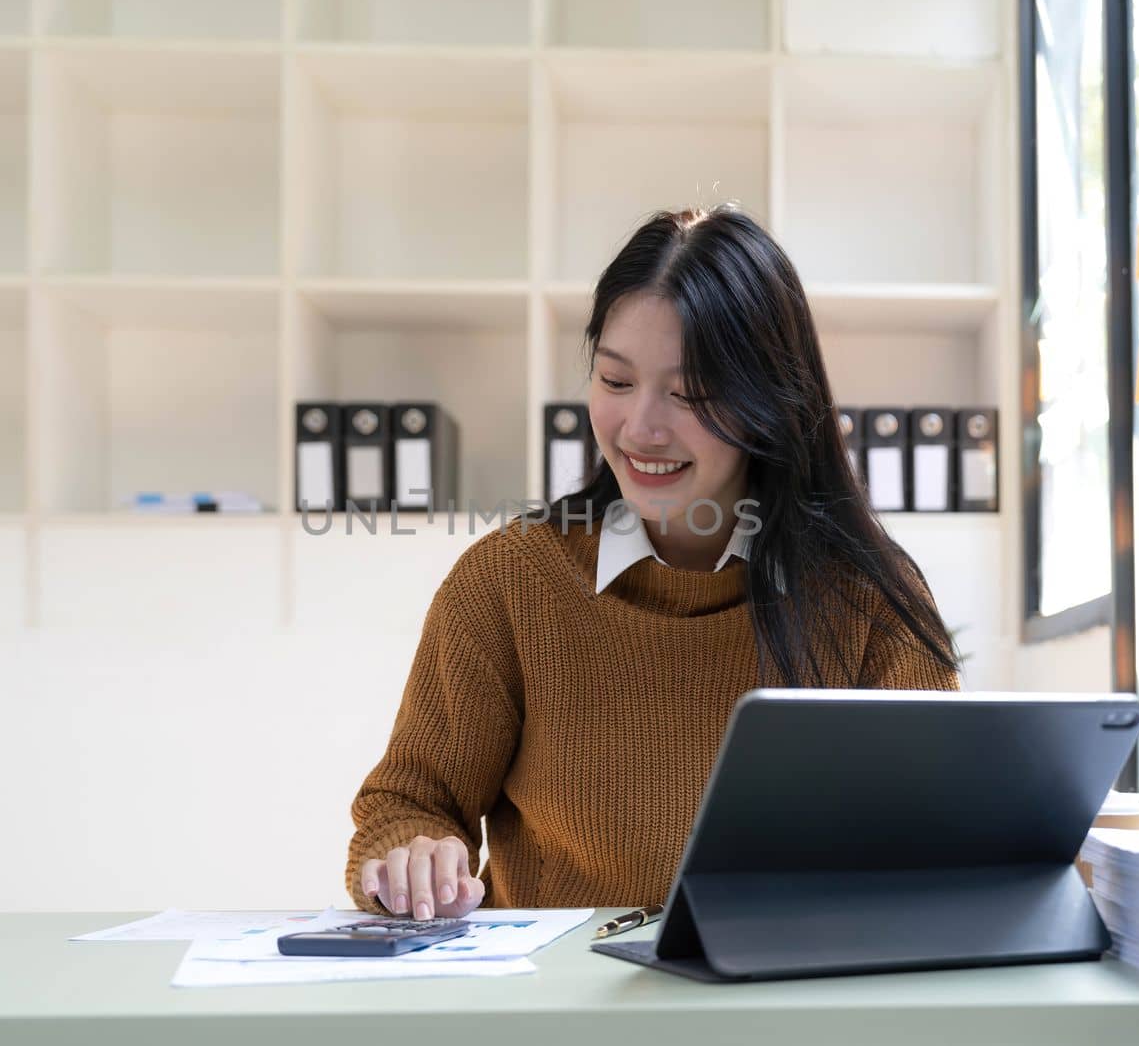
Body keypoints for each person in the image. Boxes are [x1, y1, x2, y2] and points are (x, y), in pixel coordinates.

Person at [345, 205, 960, 922]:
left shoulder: (864, 597)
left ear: (772, 400)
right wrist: (414, 855)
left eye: (690, 391)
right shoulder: (508, 582)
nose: (640, 427)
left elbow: (940, 841)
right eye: (615, 381)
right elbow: (408, 804)